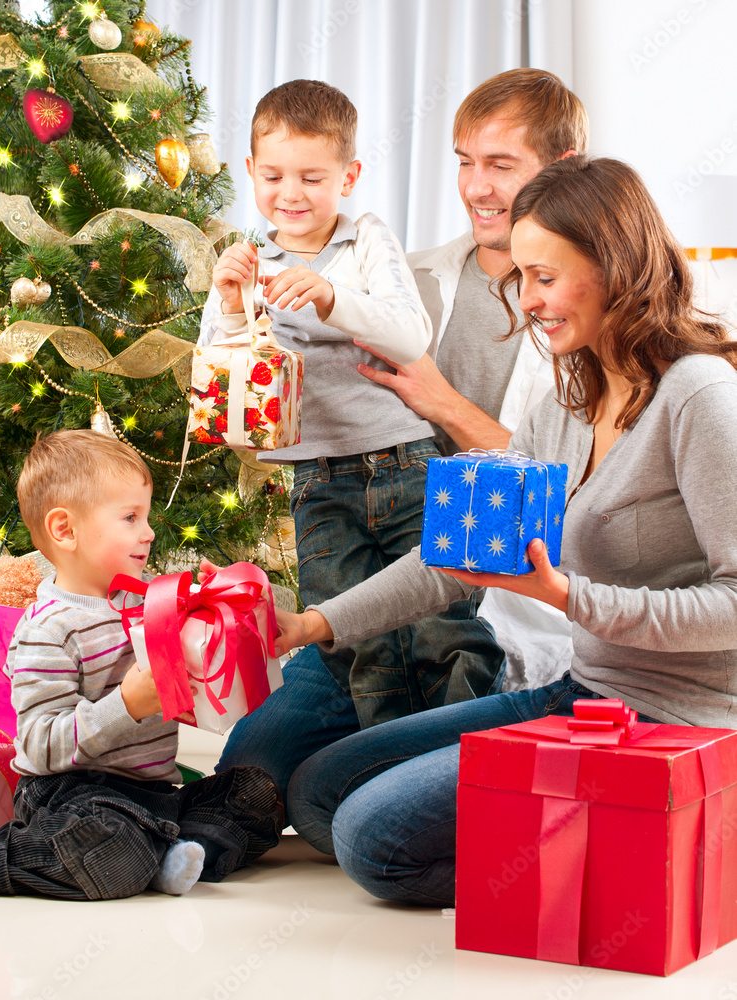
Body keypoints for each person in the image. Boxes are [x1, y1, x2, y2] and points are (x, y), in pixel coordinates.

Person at [278, 155, 737, 907]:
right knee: (321, 791)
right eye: (520, 278)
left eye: (546, 278)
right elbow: (457, 556)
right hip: (584, 694)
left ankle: (648, 853)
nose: (528, 301)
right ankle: (604, 835)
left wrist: (569, 598)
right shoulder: (569, 398)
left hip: (681, 720)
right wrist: (315, 622)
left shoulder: (699, 397)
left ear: (618, 266)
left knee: (371, 843)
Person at [211, 69, 587, 803]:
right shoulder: (405, 274)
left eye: (501, 165)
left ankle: (418, 802)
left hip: (492, 600)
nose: (476, 188)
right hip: (368, 593)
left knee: (354, 797)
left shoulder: (582, 305)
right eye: (464, 161)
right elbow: (264, 373)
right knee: (251, 776)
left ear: (563, 169)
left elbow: (572, 485)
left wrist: (443, 403)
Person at [199, 78, 499, 729]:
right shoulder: (244, 263)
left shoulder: (364, 241)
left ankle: (466, 760)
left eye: (312, 177)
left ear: (348, 175)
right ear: (250, 171)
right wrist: (229, 308)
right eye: (274, 176)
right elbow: (226, 384)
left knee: (443, 626)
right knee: (359, 645)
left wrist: (333, 298)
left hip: (408, 464)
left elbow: (409, 333)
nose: (291, 194)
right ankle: (388, 768)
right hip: (319, 485)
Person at [0, 431, 283, 900]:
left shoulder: (148, 597)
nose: (148, 532)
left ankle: (163, 852)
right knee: (108, 841)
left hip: (154, 792)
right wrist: (126, 705)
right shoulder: (48, 628)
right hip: (73, 795)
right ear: (64, 530)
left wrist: (218, 605)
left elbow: (203, 657)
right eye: (130, 517)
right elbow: (37, 744)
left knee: (255, 793)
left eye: (145, 516)